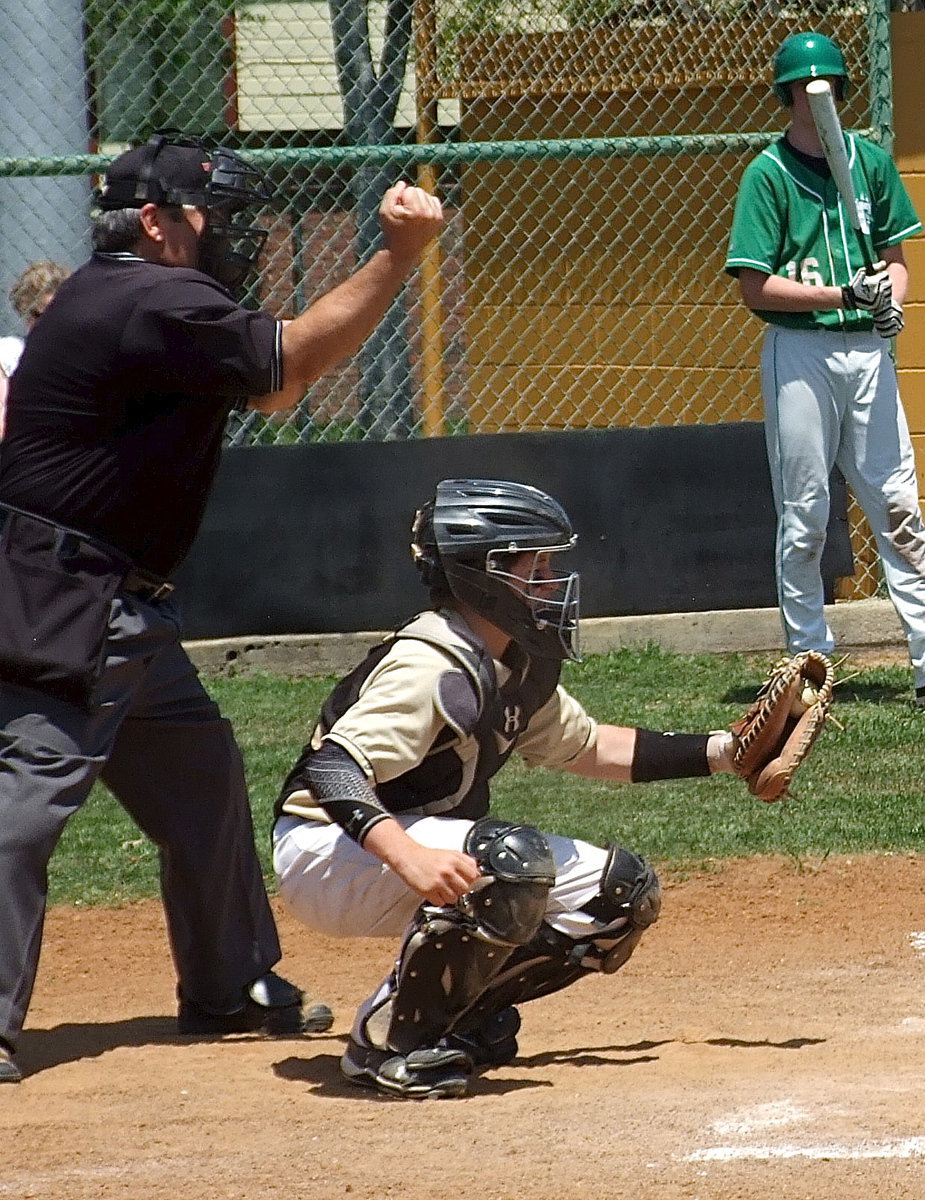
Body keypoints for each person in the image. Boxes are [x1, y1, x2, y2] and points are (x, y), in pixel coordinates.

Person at [0, 131, 443, 1084]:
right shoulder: (149, 295)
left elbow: (271, 391)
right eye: (215, 214)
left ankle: (230, 982)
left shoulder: (137, 298)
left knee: (198, 776)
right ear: (154, 222)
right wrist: (396, 257)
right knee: (23, 803)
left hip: (115, 605)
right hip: (64, 599)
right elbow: (287, 369)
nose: (230, 233)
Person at [271, 477, 741, 1100]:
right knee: (510, 862)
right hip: (328, 849)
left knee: (620, 897)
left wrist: (727, 754)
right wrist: (408, 856)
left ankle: (450, 1019)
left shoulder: (513, 656)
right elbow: (331, 769)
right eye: (535, 564)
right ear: (481, 575)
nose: (550, 581)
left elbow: (591, 746)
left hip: (391, 843)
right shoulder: (431, 662)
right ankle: (388, 1044)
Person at [725, 31, 925, 705]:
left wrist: (888, 304)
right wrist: (842, 295)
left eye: (829, 86)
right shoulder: (767, 174)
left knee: (897, 507)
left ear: (842, 88)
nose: (820, 97)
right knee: (805, 513)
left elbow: (894, 262)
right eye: (806, 88)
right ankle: (809, 665)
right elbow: (755, 288)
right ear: (786, 94)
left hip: (866, 351)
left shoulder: (867, 162)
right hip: (800, 350)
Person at [0, 260, 72, 437]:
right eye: (37, 315)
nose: (46, 324)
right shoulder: (10, 352)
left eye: (56, 314)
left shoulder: (86, 354)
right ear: (24, 311)